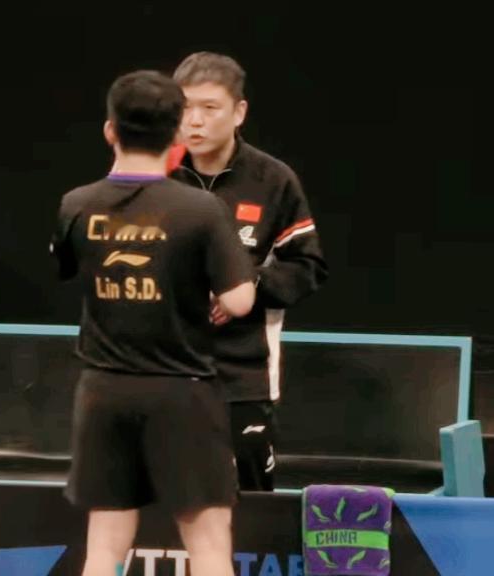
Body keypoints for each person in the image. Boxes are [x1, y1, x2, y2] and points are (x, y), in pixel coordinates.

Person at [51, 70, 255, 576]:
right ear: (177, 134)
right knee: (209, 546)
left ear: (110, 130)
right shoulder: (201, 209)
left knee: (103, 549)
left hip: (104, 392)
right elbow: (241, 300)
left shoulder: (76, 204)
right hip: (182, 391)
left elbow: (66, 266)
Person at [170, 52, 328, 491]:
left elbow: (308, 266)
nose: (194, 121)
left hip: (244, 378)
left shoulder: (273, 180)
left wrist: (247, 286)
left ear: (239, 112)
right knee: (165, 505)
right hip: (163, 374)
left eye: (209, 107)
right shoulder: (155, 177)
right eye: (184, 107)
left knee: (252, 508)